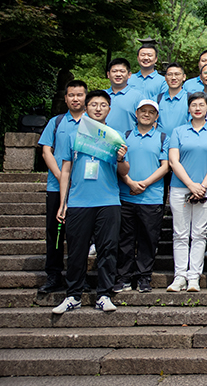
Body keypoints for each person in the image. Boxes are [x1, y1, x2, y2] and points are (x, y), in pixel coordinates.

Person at [51, 90, 128, 314]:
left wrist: (121, 158)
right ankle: (73, 295)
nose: (98, 108)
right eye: (94, 104)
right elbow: (66, 170)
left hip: (108, 200)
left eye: (103, 105)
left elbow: (124, 170)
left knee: (108, 249)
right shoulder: (72, 135)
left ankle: (104, 294)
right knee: (76, 250)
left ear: (109, 110)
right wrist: (63, 202)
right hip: (78, 201)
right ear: (86, 108)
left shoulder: (114, 136)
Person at [166, 92, 207, 293]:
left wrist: (202, 186)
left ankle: (194, 277)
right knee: (180, 233)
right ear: (188, 108)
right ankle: (179, 275)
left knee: (200, 233)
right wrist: (191, 185)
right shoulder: (178, 131)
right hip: (180, 187)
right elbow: (173, 161)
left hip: (206, 188)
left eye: (201, 105)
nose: (197, 108)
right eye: (193, 105)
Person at [37, 80, 87, 294]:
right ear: (65, 98)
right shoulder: (56, 122)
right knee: (54, 233)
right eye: (71, 95)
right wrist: (60, 177)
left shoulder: (92, 123)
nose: (75, 99)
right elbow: (46, 151)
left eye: (80, 95)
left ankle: (79, 277)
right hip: (56, 187)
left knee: (81, 235)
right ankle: (54, 275)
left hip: (84, 189)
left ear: (86, 97)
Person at [115, 99, 169, 294]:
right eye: (143, 111)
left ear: (156, 116)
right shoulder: (124, 136)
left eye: (151, 112)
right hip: (126, 195)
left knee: (148, 239)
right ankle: (123, 277)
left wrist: (144, 183)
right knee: (125, 239)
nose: (146, 114)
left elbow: (165, 166)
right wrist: (129, 182)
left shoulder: (163, 137)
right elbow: (118, 162)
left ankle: (144, 277)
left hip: (151, 197)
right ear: (136, 114)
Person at [105, 58, 143, 135]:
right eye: (114, 71)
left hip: (127, 140)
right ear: (108, 74)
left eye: (122, 71)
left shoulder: (138, 97)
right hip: (101, 140)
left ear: (129, 75)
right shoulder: (101, 95)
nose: (118, 74)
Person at [156, 63, 189, 135]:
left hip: (182, 140)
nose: (173, 78)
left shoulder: (190, 99)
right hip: (160, 140)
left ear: (184, 77)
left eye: (177, 74)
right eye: (170, 74)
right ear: (165, 78)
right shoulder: (157, 99)